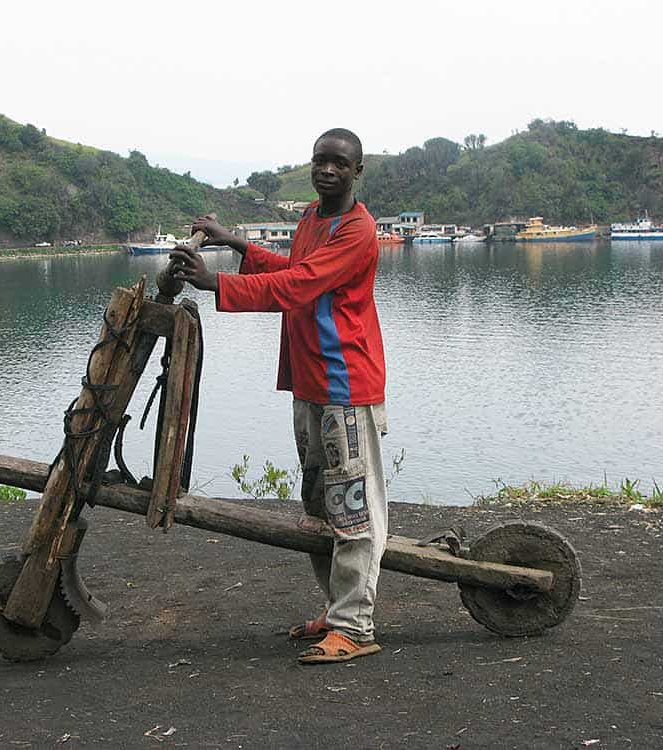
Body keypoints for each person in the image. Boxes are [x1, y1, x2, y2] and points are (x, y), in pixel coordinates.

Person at [169, 128, 388, 664]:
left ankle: (355, 627)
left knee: (353, 510)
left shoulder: (358, 230)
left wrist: (215, 282)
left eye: (340, 163)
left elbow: (297, 287)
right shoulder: (312, 219)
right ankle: (338, 609)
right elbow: (291, 270)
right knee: (320, 508)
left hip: (344, 386)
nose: (328, 170)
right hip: (310, 384)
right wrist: (235, 243)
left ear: (357, 172)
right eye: (320, 161)